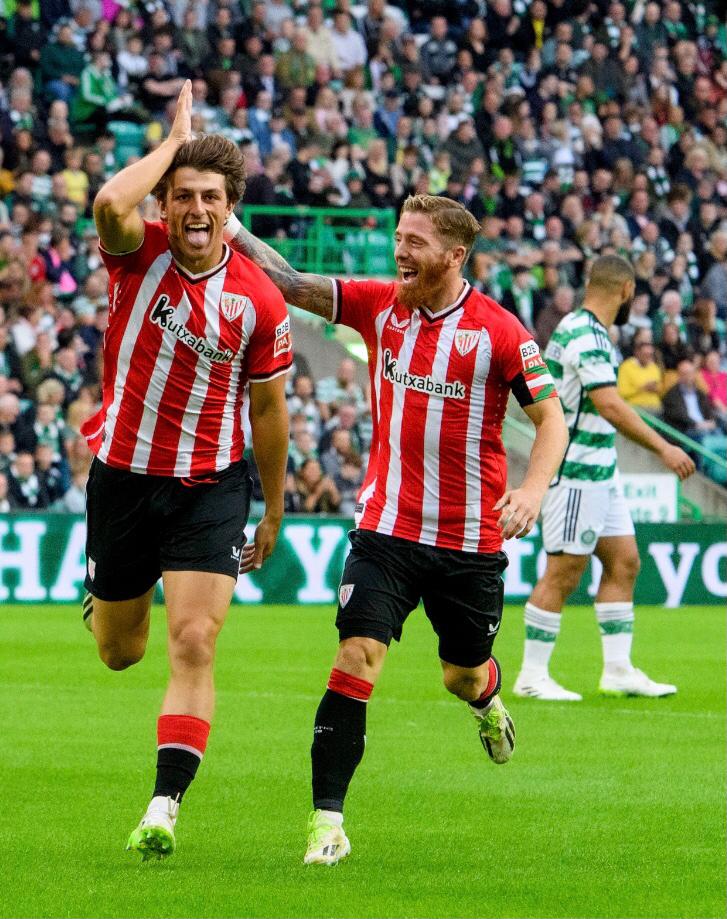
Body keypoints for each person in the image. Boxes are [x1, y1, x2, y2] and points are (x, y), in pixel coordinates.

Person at [224, 193, 569, 865]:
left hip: (469, 541)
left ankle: (488, 699)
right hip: (385, 529)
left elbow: (551, 418)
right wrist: (229, 222)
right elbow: (291, 283)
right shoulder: (378, 305)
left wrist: (531, 490)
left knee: (460, 676)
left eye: (414, 241)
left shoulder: (500, 332)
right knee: (356, 657)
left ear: (453, 255)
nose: (399, 251)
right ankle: (326, 822)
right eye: (398, 237)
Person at [80, 82, 291, 861]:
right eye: (182, 197)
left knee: (195, 640)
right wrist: (173, 145)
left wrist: (273, 506)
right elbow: (108, 201)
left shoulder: (258, 301)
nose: (195, 210)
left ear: (229, 208)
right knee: (120, 651)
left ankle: (164, 802)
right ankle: (101, 599)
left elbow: (268, 413)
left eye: (210, 197)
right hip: (124, 478)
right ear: (165, 205)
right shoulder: (138, 255)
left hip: (211, 483)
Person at [513, 255, 695, 703]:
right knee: (564, 571)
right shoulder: (587, 333)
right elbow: (609, 403)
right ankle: (532, 675)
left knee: (624, 561)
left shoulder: (583, 329)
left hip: (599, 470)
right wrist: (665, 448)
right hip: (575, 469)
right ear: (627, 290)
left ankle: (617, 669)